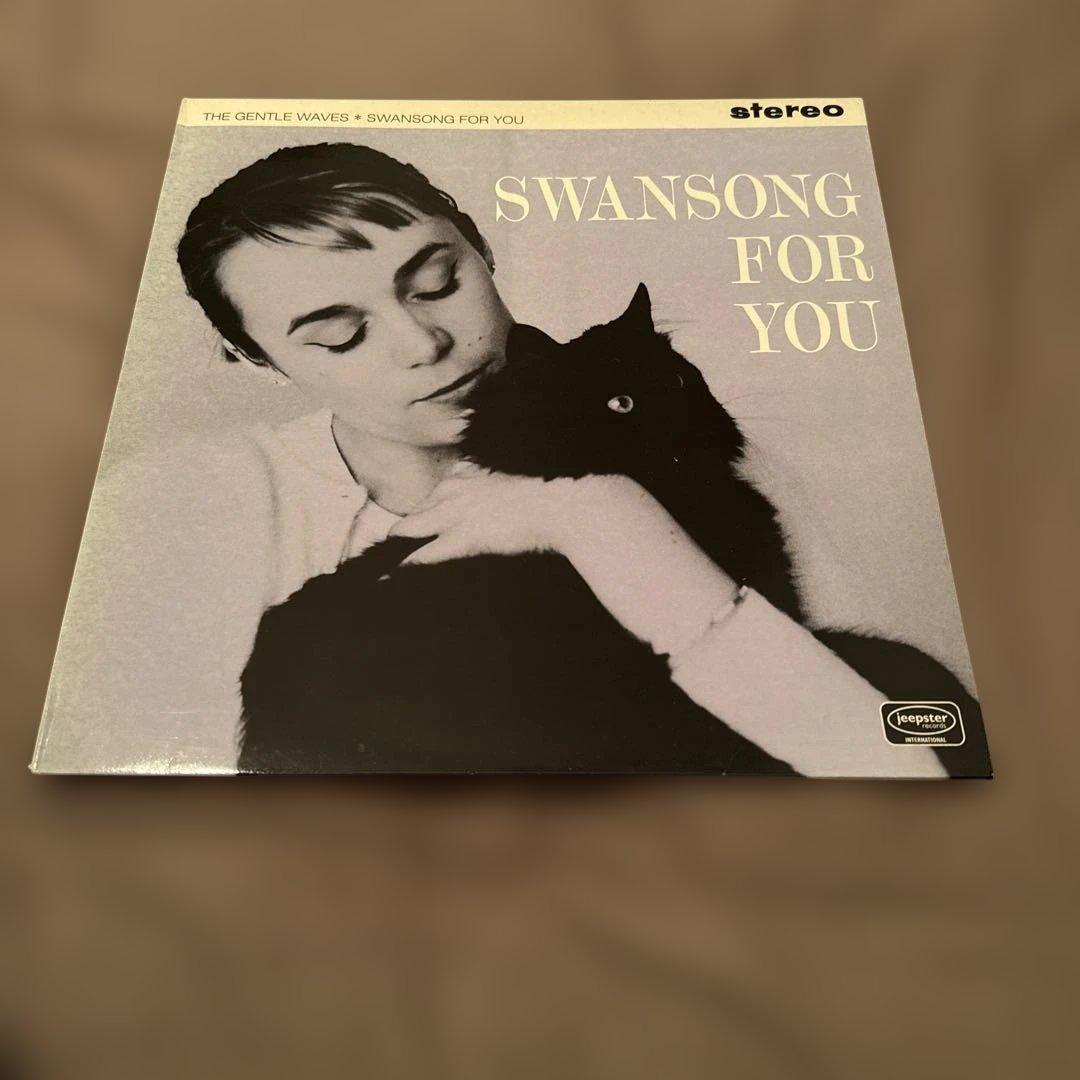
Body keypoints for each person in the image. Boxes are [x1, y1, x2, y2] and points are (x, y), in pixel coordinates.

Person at [38, 142, 952, 777]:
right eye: (341, 334)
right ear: (256, 359)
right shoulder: (185, 506)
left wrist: (600, 519)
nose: (424, 344)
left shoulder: (674, 435)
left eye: (438, 282)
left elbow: (912, 759)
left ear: (479, 245)